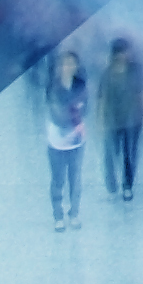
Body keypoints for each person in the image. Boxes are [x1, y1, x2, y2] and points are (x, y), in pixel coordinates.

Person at [42, 42, 89, 227]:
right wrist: (74, 113)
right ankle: (58, 215)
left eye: (72, 63)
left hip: (77, 140)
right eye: (64, 64)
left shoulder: (81, 85)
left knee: (75, 178)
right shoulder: (53, 87)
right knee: (58, 178)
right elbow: (57, 112)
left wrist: (76, 116)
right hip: (57, 140)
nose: (68, 67)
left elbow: (86, 107)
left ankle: (74, 213)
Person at [101, 34, 143, 204]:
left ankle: (127, 185)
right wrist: (100, 118)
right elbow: (103, 97)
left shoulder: (136, 71)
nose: (124, 56)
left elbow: (142, 94)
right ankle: (111, 185)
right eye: (120, 52)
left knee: (129, 154)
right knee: (111, 153)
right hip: (113, 119)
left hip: (132, 119)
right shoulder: (108, 73)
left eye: (126, 52)